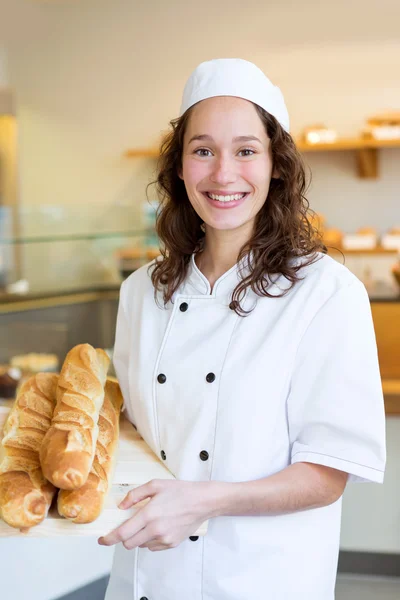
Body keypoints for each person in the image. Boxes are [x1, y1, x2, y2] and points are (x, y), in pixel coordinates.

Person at [100, 58, 386, 600]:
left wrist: (202, 500)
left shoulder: (326, 294)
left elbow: (326, 474)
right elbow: (134, 432)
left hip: (260, 578)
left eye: (246, 151)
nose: (223, 174)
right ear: (179, 168)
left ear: (276, 164)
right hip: (145, 575)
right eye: (203, 150)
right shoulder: (140, 292)